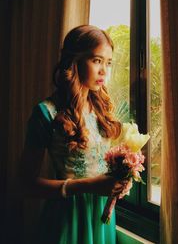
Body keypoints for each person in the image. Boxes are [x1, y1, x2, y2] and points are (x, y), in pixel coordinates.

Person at [19, 25, 132, 244]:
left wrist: (121, 180)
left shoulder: (102, 109)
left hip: (102, 217)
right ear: (74, 61)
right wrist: (88, 186)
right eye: (96, 61)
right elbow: (25, 184)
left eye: (108, 63)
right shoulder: (46, 113)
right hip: (68, 217)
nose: (104, 71)